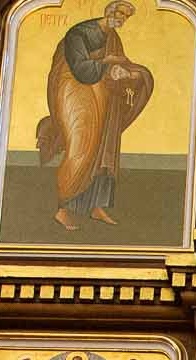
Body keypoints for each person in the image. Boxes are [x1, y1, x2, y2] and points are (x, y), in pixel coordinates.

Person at [38, 0, 154, 231]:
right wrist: (108, 68)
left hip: (104, 95)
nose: (122, 20)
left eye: (125, 17)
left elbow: (120, 62)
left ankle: (96, 206)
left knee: (105, 148)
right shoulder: (79, 34)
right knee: (81, 145)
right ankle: (63, 208)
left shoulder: (113, 38)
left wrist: (131, 74)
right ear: (109, 12)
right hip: (75, 90)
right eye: (120, 14)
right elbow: (80, 69)